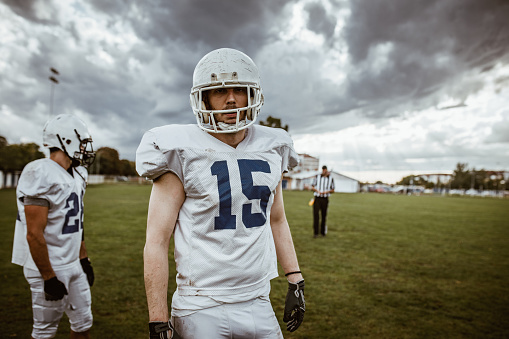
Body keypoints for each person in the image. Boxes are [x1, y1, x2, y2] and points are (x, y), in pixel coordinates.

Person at [137, 48, 306, 339]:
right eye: (219, 91)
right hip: (200, 303)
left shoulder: (273, 146)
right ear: (203, 98)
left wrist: (295, 278)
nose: (230, 99)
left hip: (257, 298)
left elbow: (276, 219)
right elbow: (156, 241)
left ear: (252, 94)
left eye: (239, 89)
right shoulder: (180, 150)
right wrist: (158, 319)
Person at [12, 114, 96, 339]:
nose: (84, 148)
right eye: (82, 141)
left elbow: (78, 224)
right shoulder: (39, 172)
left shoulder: (77, 173)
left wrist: (83, 259)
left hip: (72, 264)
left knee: (83, 323)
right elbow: (33, 234)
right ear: (66, 140)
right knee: (44, 332)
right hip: (48, 266)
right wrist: (48, 277)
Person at [311, 165, 335, 238]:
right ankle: (316, 233)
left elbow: (333, 190)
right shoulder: (317, 177)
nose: (324, 171)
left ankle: (323, 232)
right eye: (323, 169)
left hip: (325, 199)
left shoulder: (331, 178)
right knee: (316, 215)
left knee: (324, 215)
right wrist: (317, 191)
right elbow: (312, 187)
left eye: (325, 170)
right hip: (317, 198)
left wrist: (325, 192)